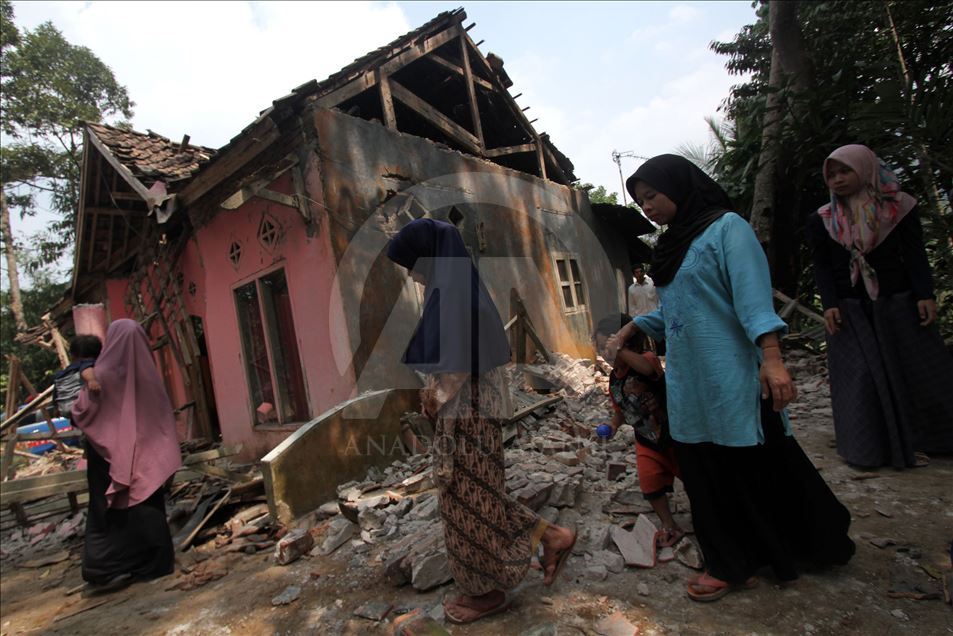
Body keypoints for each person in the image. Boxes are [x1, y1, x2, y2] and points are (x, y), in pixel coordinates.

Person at [607, 154, 854, 602]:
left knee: (751, 465)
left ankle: (756, 556)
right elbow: (679, 310)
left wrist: (772, 358)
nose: (647, 208)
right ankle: (733, 557)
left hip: (732, 374)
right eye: (641, 202)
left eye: (652, 197)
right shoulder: (672, 247)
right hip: (689, 381)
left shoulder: (727, 230)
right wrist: (633, 327)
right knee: (705, 474)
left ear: (678, 188)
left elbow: (752, 299)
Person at [387, 218, 577, 624]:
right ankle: (552, 537)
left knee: (464, 500)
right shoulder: (457, 290)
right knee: (479, 493)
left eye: (412, 264)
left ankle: (486, 591)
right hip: (476, 410)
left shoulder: (452, 297)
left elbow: (453, 373)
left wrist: (433, 402)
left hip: (467, 414)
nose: (412, 275)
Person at [807, 144, 953, 468]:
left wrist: (924, 295)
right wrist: (830, 303)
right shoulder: (823, 220)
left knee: (915, 368)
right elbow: (823, 265)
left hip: (896, 302)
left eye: (845, 171)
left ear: (865, 169)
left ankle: (932, 438)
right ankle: (869, 448)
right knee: (860, 378)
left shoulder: (897, 208)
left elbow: (915, 253)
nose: (838, 180)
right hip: (851, 308)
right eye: (831, 174)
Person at [71, 319, 181, 593]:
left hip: (106, 458)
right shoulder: (149, 375)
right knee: (147, 509)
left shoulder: (101, 374)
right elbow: (163, 420)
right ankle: (155, 564)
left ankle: (105, 568)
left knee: (108, 512)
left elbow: (81, 412)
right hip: (145, 457)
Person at [594, 315, 684, 548]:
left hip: (673, 434)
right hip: (645, 439)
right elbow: (621, 411)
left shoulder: (647, 360)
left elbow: (647, 368)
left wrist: (620, 349)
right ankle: (669, 524)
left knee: (693, 478)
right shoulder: (614, 380)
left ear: (629, 344)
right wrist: (613, 426)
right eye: (601, 348)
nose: (606, 353)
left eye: (608, 347)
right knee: (650, 483)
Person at [52, 335, 102, 418]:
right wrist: (92, 380)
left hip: (64, 408)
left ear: (72, 355)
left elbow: (56, 390)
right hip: (80, 406)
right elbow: (86, 369)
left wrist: (56, 408)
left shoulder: (61, 373)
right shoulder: (87, 363)